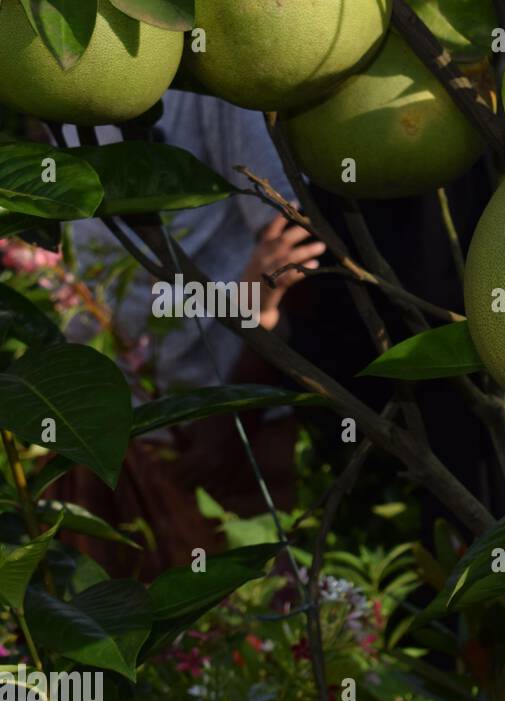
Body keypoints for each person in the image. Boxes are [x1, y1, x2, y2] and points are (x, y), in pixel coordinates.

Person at [54, 90, 326, 578]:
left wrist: (228, 415)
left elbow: (295, 244)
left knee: (251, 616)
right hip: (119, 436)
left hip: (224, 428)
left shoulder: (213, 88)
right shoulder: (54, 79)